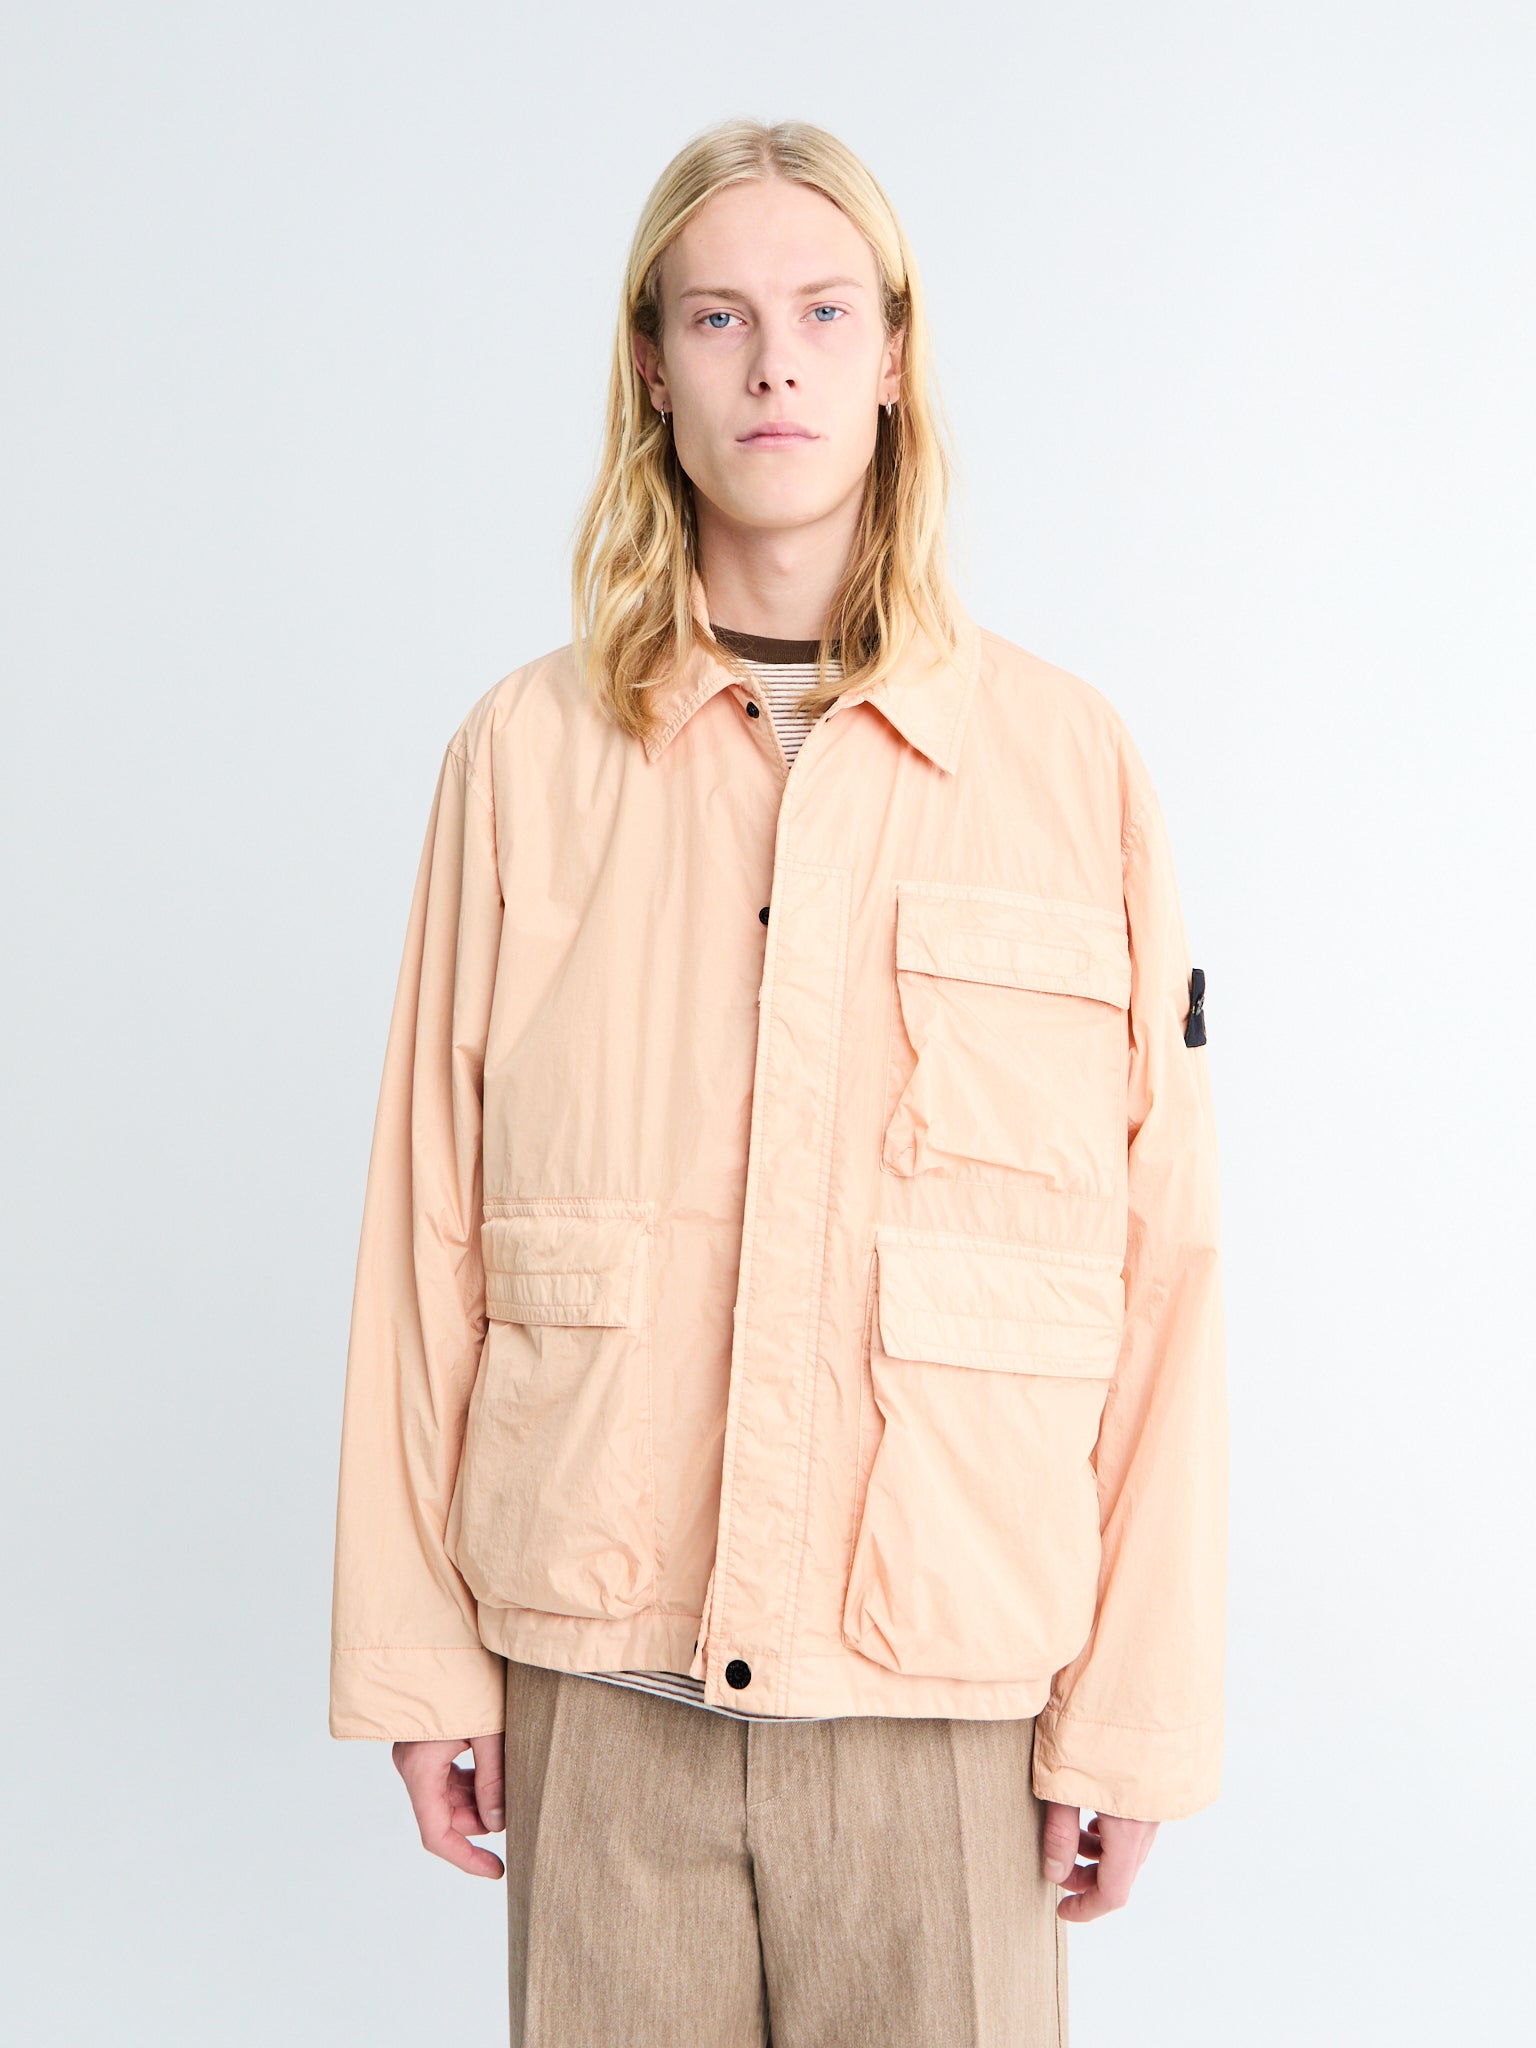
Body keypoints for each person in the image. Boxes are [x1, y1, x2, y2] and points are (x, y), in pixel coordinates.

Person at [329, 115, 1227, 2048]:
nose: (775, 364)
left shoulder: (1070, 769)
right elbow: (425, 1227)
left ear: (895, 356)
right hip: (605, 1698)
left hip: (948, 1710)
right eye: (718, 316)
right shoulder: (525, 756)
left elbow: (1164, 1268)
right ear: (652, 366)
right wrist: (416, 1660)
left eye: (824, 312)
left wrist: (1136, 1708)